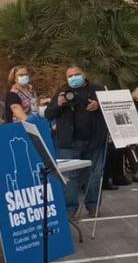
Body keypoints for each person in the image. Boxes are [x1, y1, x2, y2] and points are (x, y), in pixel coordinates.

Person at [44, 65, 108, 219]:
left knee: (94, 174)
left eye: (76, 74)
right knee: (70, 176)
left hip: (95, 141)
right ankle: (69, 210)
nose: (73, 78)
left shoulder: (98, 90)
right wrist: (58, 103)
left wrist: (99, 105)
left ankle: (93, 206)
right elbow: (48, 114)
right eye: (70, 76)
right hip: (69, 142)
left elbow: (113, 108)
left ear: (84, 74)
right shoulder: (62, 91)